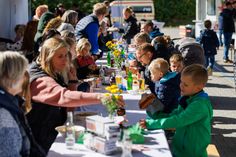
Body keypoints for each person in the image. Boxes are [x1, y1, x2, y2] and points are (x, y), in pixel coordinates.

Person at [27, 37, 123, 154]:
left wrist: (72, 83)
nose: (65, 60)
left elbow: (68, 110)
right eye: (60, 56)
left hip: (51, 135)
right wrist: (101, 97)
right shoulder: (39, 79)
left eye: (66, 55)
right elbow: (64, 97)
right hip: (37, 143)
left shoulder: (53, 72)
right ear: (48, 57)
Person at [140, 64, 213, 157]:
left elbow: (178, 121)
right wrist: (154, 114)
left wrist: (150, 124)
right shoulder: (188, 98)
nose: (181, 86)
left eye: (185, 84)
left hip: (192, 153)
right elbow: (173, 115)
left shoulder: (199, 105)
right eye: (181, 82)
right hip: (180, 150)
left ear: (199, 87)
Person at [0, 51, 45, 157]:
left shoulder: (10, 101)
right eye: (23, 72)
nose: (26, 77)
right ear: (12, 76)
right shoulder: (3, 113)